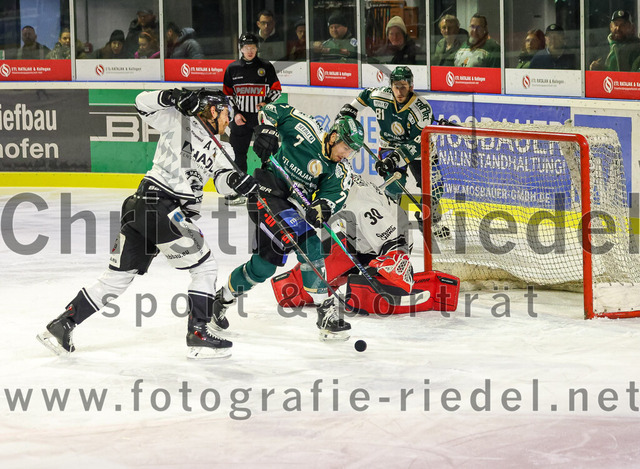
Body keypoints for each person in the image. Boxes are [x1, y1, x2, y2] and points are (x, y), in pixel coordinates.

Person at [37, 89, 260, 359]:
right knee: (205, 267)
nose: (229, 119)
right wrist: (172, 96)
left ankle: (62, 324)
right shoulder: (180, 119)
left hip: (142, 207)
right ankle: (198, 335)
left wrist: (238, 182)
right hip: (162, 206)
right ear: (213, 110)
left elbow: (224, 183)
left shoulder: (223, 149)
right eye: (226, 113)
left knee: (117, 279)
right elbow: (142, 103)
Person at [210, 104, 364, 341]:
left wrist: (322, 208)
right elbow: (272, 110)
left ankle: (219, 301)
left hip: (291, 209)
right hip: (266, 191)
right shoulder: (306, 127)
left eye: (351, 152)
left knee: (263, 267)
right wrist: (267, 130)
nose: (346, 155)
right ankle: (326, 313)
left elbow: (332, 198)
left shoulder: (340, 171)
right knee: (311, 244)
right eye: (345, 148)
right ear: (334, 137)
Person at [338, 66, 448, 238]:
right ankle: (391, 225)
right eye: (396, 86)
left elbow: (417, 144)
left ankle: (428, 221)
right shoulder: (381, 96)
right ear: (391, 86)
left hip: (420, 150)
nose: (400, 91)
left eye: (404, 86)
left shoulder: (422, 109)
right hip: (390, 145)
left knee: (436, 188)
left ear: (411, 86)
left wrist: (395, 159)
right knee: (393, 187)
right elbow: (366, 95)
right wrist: (351, 109)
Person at [222, 32, 282, 204]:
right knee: (238, 154)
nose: (250, 51)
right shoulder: (232, 68)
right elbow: (227, 94)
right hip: (240, 118)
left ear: (257, 49)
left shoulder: (266, 66)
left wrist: (266, 102)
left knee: (268, 153)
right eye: (246, 47)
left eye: (253, 47)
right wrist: (236, 113)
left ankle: (270, 190)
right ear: (241, 49)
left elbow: (277, 89)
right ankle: (240, 191)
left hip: (261, 118)